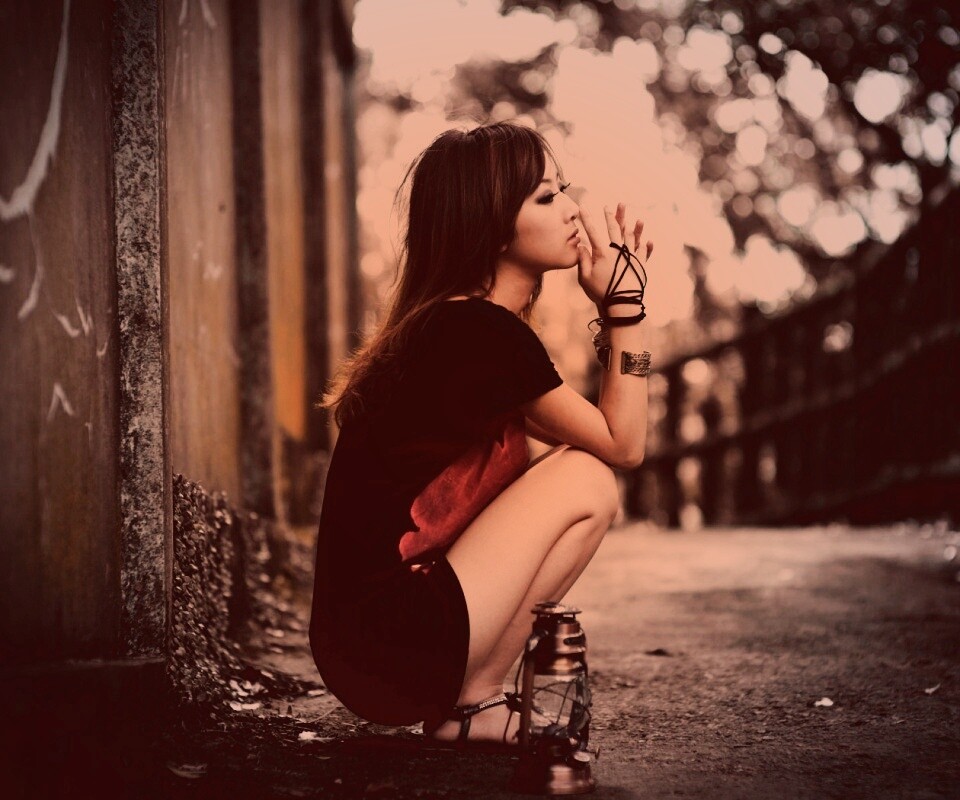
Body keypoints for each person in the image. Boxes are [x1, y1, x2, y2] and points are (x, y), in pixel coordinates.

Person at [309, 121, 653, 749]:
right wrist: (624, 308)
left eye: (563, 190)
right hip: (388, 637)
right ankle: (475, 702)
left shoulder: (459, 329)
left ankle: (470, 705)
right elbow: (623, 444)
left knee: (579, 472)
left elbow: (579, 451)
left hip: (372, 647)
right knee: (589, 478)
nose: (573, 210)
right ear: (492, 228)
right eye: (546, 197)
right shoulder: (477, 334)